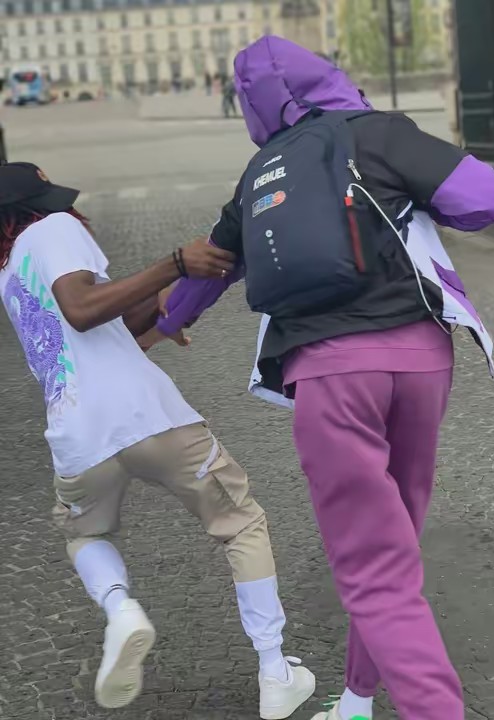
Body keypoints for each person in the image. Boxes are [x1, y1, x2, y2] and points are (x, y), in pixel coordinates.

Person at [150, 36, 494, 720]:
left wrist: (156, 328)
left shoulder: (260, 176)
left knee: (374, 567)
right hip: (423, 363)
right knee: (395, 543)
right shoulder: (381, 134)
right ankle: (358, 700)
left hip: (333, 376)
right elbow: (483, 201)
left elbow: (206, 275)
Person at [0, 162, 315, 719]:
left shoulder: (8, 276)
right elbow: (82, 310)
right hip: (147, 417)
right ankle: (275, 671)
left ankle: (121, 611)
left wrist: (161, 318)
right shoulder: (53, 229)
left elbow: (102, 331)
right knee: (240, 522)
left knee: (83, 534)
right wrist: (174, 263)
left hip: (78, 437)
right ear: (30, 210)